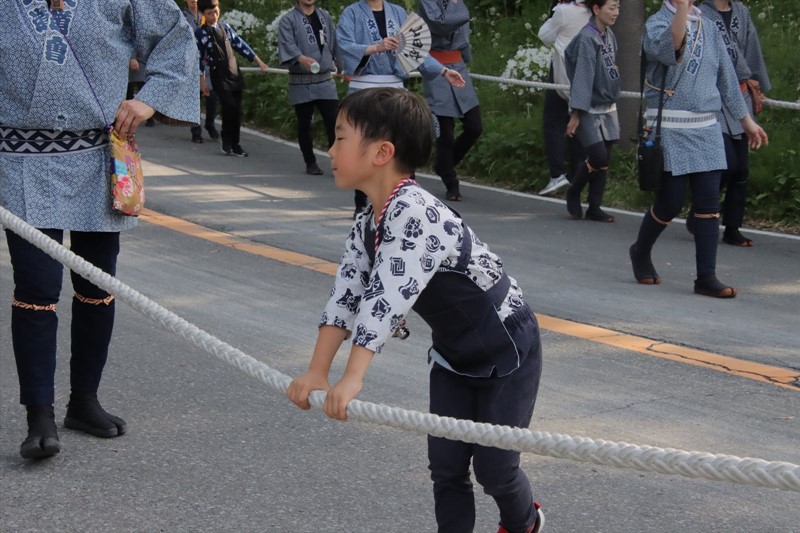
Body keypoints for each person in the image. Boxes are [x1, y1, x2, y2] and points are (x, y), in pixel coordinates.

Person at [286, 88, 544, 533]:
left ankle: (525, 523)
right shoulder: (369, 220)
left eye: (340, 138)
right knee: (445, 466)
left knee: (495, 469)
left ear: (382, 153)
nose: (330, 149)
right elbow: (347, 293)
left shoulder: (416, 212)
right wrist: (317, 371)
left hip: (508, 346)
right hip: (453, 355)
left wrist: (352, 377)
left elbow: (385, 298)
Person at [1, 0, 199, 459]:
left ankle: (84, 400)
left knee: (97, 283)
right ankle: (39, 415)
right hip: (18, 160)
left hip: (99, 157)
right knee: (37, 286)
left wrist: (149, 98)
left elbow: (175, 37)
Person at [629, 0, 768, 297]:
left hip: (707, 126)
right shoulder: (656, 24)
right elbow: (673, 51)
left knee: (708, 205)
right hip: (671, 127)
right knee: (670, 203)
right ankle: (640, 250)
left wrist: (746, 121)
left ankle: (706, 276)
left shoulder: (709, 26)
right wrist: (682, 9)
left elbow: (727, 78)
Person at [336, 0, 465, 217]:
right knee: (365, 145)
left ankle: (407, 200)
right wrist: (376, 47)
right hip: (364, 90)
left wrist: (443, 71)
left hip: (394, 90)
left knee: (402, 142)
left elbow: (416, 51)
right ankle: (361, 202)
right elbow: (345, 46)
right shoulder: (351, 13)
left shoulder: (398, 13)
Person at [687, 0, 771, 246]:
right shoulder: (700, 14)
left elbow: (752, 48)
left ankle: (733, 228)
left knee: (741, 168)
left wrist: (755, 80)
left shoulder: (741, 12)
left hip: (740, 95)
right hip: (712, 95)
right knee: (727, 164)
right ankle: (700, 210)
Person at [563, 0, 620, 223]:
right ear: (596, 9)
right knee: (598, 155)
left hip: (607, 104)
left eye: (617, 7)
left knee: (605, 157)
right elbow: (583, 76)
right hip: (588, 106)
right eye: (611, 8)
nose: (616, 12)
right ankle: (574, 191)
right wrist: (576, 113)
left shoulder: (608, 34)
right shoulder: (588, 37)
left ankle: (594, 206)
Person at [418, 0, 481, 201]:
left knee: (474, 126)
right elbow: (440, 24)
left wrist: (466, 57)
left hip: (458, 65)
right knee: (445, 132)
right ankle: (451, 182)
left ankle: (444, 164)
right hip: (436, 67)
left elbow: (464, 32)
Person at [196, 0, 269, 157]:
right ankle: (226, 139)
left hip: (233, 70)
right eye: (209, 13)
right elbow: (199, 59)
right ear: (203, 14)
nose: (214, 16)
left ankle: (236, 144)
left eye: (216, 11)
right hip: (218, 73)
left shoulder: (226, 28)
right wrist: (202, 81)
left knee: (237, 110)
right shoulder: (201, 33)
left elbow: (240, 45)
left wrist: (259, 61)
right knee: (229, 105)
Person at [278, 0, 339, 176]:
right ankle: (310, 162)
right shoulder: (288, 20)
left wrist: (341, 65)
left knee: (335, 123)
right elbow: (287, 44)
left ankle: (338, 163)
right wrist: (300, 58)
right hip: (301, 81)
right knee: (305, 124)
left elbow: (334, 44)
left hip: (325, 79)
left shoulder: (325, 17)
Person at [536, 0, 590, 196]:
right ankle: (578, 176)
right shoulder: (595, 12)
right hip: (587, 72)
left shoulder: (564, 11)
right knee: (578, 122)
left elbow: (545, 35)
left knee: (554, 121)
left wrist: (555, 11)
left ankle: (557, 174)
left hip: (562, 72)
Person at [183, 0, 220, 144]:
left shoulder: (207, 14)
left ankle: (210, 124)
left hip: (207, 62)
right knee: (194, 98)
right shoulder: (181, 16)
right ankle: (196, 130)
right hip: (191, 61)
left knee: (212, 96)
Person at [127, 53, 156, 127]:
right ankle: (149, 119)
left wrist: (133, 58)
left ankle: (150, 118)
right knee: (132, 93)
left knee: (138, 92)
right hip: (138, 64)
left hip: (139, 64)